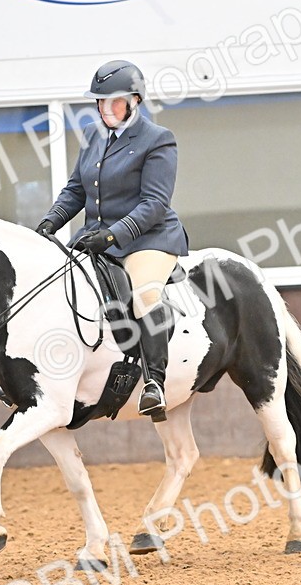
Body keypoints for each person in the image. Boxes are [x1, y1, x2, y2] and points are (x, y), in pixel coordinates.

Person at [36, 60, 189, 422]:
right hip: (97, 239)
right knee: (57, 287)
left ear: (135, 101)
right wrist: (48, 224)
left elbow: (154, 204)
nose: (106, 109)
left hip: (148, 239)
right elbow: (76, 190)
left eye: (114, 102)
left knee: (146, 294)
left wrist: (113, 234)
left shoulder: (158, 139)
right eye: (100, 102)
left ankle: (154, 383)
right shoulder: (92, 135)